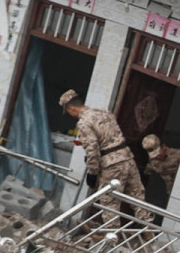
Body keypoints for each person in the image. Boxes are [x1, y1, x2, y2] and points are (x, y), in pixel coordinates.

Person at [62, 90, 146, 219]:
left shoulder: (84, 123)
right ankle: (147, 229)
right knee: (137, 195)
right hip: (127, 158)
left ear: (72, 108)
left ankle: (111, 235)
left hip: (111, 164)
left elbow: (92, 148)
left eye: (68, 111)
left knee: (110, 202)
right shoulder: (104, 113)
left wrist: (93, 172)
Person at [142, 134, 180, 208]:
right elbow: (147, 172)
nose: (157, 157)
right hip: (172, 194)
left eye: (158, 154)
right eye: (154, 156)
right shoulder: (153, 162)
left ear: (164, 147)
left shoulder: (178, 155)